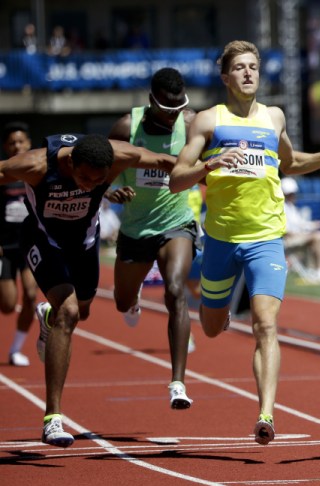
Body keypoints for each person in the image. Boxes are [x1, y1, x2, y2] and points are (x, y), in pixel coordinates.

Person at [168, 40, 320, 445]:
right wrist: (209, 165)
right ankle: (209, 308)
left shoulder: (274, 117)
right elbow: (176, 179)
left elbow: (290, 163)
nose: (248, 73)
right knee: (213, 326)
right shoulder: (207, 120)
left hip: (266, 239)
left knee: (266, 324)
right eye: (239, 67)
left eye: (253, 66)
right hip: (221, 239)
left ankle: (266, 414)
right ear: (226, 77)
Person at [0, 134, 175, 448]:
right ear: (70, 162)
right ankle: (52, 419)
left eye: (98, 180)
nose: (88, 185)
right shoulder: (36, 163)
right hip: (43, 239)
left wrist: (212, 171)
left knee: (81, 310)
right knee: (69, 314)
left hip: (84, 243)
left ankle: (48, 316)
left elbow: (166, 162)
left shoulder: (119, 155)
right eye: (83, 177)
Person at [106, 67, 200, 409]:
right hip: (136, 229)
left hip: (177, 222)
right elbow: (102, 171)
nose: (173, 112)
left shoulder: (190, 125)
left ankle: (178, 382)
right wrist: (111, 192)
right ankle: (133, 296)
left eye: (179, 105)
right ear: (151, 101)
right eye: (167, 107)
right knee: (120, 302)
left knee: (176, 290)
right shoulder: (125, 127)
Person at [1, 122, 37, 366]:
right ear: (5, 147)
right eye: (12, 142)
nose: (17, 146)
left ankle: (15, 349)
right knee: (7, 306)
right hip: (4, 248)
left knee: (32, 294)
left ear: (29, 144)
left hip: (28, 246)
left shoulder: (36, 172)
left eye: (21, 141)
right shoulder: (2, 173)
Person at [281, 177, 320, 285]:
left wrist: (314, 225)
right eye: (290, 193)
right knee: (319, 237)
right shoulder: (281, 207)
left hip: (296, 238)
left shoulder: (291, 207)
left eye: (293, 193)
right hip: (287, 241)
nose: (292, 196)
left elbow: (301, 224)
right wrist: (304, 233)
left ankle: (315, 269)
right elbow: (285, 231)